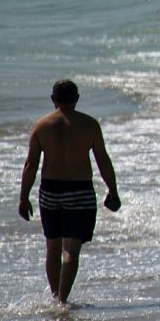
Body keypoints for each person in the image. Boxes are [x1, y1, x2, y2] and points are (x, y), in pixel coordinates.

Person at [17, 79, 121, 306]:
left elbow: (30, 165)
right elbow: (102, 160)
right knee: (71, 251)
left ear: (53, 99)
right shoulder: (89, 125)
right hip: (79, 190)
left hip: (50, 191)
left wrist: (23, 197)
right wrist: (112, 190)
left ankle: (56, 298)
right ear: (77, 99)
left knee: (52, 246)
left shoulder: (41, 126)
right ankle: (63, 300)